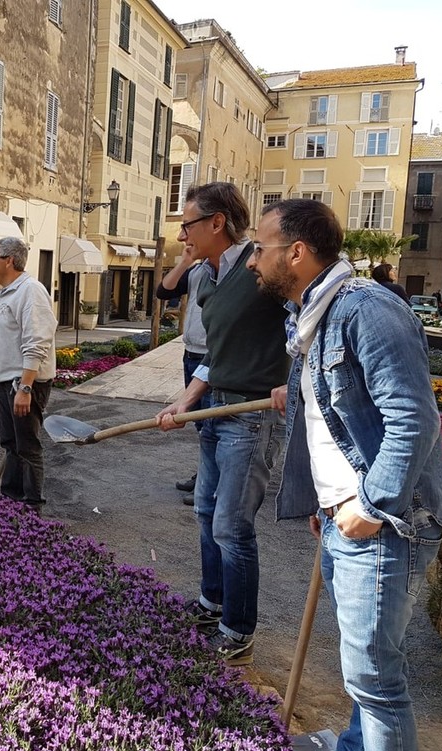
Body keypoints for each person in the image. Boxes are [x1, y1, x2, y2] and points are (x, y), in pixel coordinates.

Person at [248, 197, 442, 751]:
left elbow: (414, 419)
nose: (252, 260)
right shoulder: (313, 315)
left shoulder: (366, 309)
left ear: (297, 252)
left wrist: (368, 503)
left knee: (376, 683)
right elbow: (338, 414)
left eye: (260, 248)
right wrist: (327, 500)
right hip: (346, 516)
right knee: (368, 676)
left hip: (386, 523)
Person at [155, 182, 288, 666]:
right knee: (206, 512)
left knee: (232, 526)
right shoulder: (207, 277)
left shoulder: (261, 267)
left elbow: (306, 323)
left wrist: (294, 376)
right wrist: (183, 401)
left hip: (249, 417)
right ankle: (212, 604)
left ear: (216, 223)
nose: (182, 235)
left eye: (187, 224)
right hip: (214, 411)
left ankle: (238, 631)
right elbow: (216, 355)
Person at [0, 236, 57, 507]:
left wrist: (26, 387)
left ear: (9, 261)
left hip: (24, 382)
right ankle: (10, 502)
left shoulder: (31, 291)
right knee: (11, 443)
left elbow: (37, 340)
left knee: (27, 446)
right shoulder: (8, 292)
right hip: (8, 381)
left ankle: (31, 507)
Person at [156, 243, 211, 506]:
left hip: (210, 355)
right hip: (191, 353)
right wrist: (185, 261)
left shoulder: (229, 271)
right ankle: (204, 475)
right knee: (200, 423)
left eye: (188, 229)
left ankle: (209, 483)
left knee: (210, 422)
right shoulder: (198, 270)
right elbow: (163, 291)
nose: (182, 237)